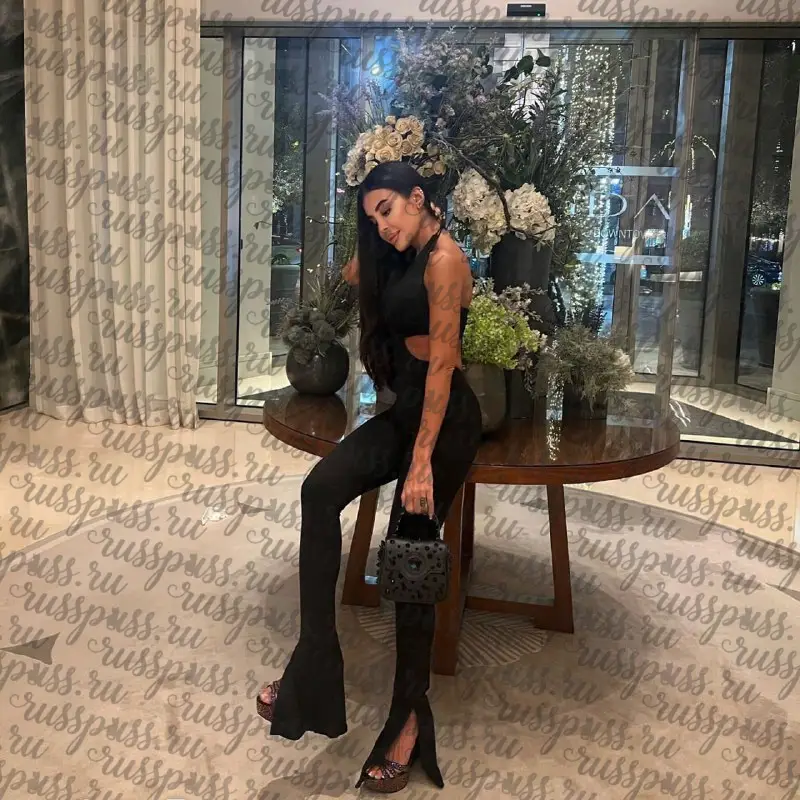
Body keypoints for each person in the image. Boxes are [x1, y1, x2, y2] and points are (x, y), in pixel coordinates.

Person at [256, 160, 482, 793]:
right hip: (404, 410)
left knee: (411, 550)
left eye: (388, 209)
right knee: (319, 490)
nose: (381, 225)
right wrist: (370, 237)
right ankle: (312, 665)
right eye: (372, 216)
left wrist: (420, 462)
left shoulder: (445, 261)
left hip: (444, 421)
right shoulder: (394, 251)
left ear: (419, 197)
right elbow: (349, 276)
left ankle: (408, 720)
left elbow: (443, 367)